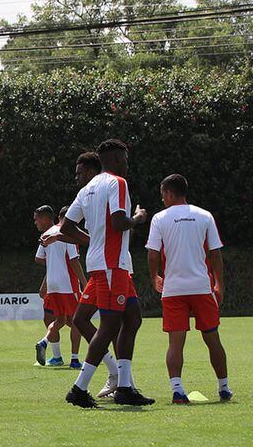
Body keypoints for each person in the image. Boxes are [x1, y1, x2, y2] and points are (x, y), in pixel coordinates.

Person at [58, 139, 152, 408]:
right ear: (114, 159)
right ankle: (79, 388)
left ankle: (124, 386)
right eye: (124, 159)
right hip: (112, 266)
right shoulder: (117, 183)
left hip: (104, 264)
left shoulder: (88, 188)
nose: (126, 165)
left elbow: (65, 227)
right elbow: (120, 221)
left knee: (132, 318)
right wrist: (139, 218)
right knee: (111, 325)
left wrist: (93, 240)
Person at [41, 152, 122, 396]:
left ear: (90, 170)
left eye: (79, 172)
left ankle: (107, 380)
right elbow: (87, 237)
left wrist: (136, 220)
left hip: (110, 266)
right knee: (99, 322)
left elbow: (112, 228)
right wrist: (59, 235)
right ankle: (119, 377)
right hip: (101, 267)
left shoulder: (111, 186)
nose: (76, 177)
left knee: (109, 324)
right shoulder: (88, 193)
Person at [145, 174, 231, 403]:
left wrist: (155, 278)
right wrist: (219, 283)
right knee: (212, 338)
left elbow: (153, 253)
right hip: (201, 287)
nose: (162, 198)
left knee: (176, 342)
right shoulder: (205, 216)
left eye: (163, 194)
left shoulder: (159, 218)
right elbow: (215, 253)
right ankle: (223, 388)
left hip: (173, 289)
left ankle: (177, 390)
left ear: (169, 193)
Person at [33, 207, 85, 367]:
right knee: (77, 321)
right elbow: (74, 260)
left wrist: (52, 269)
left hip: (53, 284)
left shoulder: (46, 234)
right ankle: (75, 360)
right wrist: (84, 282)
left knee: (60, 319)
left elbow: (38, 258)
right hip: (68, 285)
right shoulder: (67, 233)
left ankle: (44, 342)